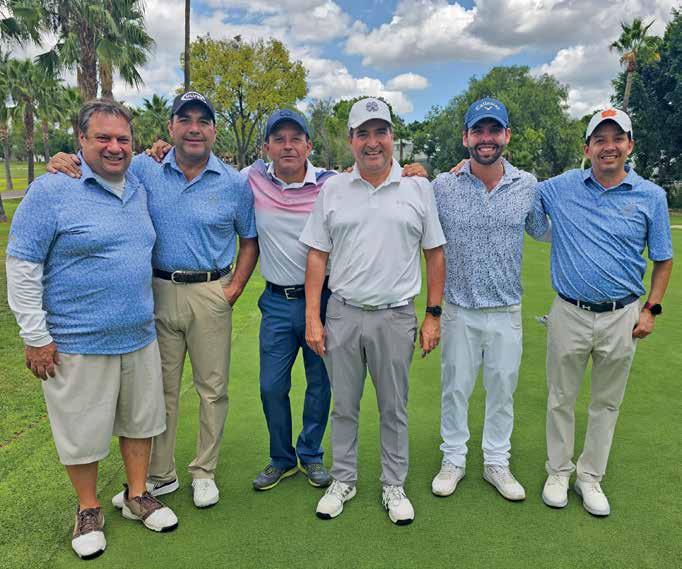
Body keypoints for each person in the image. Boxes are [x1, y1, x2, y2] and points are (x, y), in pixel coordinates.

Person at [143, 108, 429, 492]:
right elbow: (235, 214)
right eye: (279, 139)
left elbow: (370, 176)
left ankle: (310, 454)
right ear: (266, 147)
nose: (288, 146)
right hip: (277, 301)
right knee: (271, 386)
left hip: (324, 299)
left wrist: (411, 170)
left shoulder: (332, 184)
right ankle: (282, 458)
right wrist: (160, 150)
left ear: (309, 146)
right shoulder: (251, 179)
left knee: (320, 384)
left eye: (296, 139)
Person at [46, 91, 259, 509]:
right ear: (171, 127)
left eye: (203, 121)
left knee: (212, 388)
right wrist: (64, 158)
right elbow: (101, 162)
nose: (194, 128)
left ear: (214, 130)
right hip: (156, 291)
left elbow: (249, 240)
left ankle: (204, 471)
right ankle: (160, 475)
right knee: (159, 390)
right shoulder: (145, 167)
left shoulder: (235, 182)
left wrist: (233, 288)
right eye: (185, 120)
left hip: (210, 291)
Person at [7, 99, 178, 560]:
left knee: (140, 421)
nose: (114, 147)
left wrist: (160, 147)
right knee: (81, 431)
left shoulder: (137, 183)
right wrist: (35, 336)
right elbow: (22, 265)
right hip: (77, 339)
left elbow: (163, 154)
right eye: (102, 137)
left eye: (123, 138)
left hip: (138, 334)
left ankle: (137, 495)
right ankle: (88, 509)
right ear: (80, 140)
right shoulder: (51, 189)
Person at [301, 97, 446, 525]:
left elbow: (434, 254)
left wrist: (433, 315)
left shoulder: (418, 188)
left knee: (393, 408)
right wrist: (313, 317)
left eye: (380, 132)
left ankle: (393, 484)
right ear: (351, 140)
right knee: (344, 406)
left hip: (395, 316)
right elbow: (317, 255)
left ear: (392, 137)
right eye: (362, 133)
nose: (372, 142)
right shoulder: (333, 189)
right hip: (343, 312)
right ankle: (343, 479)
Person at [538, 108, 673, 516]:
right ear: (587, 148)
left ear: (630, 145)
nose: (608, 147)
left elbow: (663, 259)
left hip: (622, 315)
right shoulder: (561, 187)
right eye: (600, 139)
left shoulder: (651, 196)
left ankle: (590, 476)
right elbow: (516, 187)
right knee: (560, 398)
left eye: (617, 139)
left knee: (606, 403)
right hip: (569, 311)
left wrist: (651, 309)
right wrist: (461, 166)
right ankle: (558, 471)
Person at [431, 98, 550, 501]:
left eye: (494, 130)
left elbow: (544, 231)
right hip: (458, 308)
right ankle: (454, 459)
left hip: (506, 310)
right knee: (455, 389)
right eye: (478, 130)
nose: (486, 138)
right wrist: (413, 172)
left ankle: (496, 461)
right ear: (465, 137)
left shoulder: (527, 185)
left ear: (506, 136)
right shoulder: (443, 186)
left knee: (502, 390)